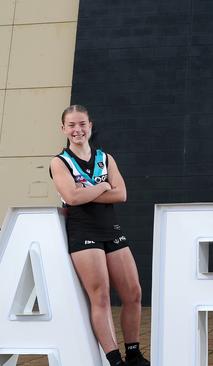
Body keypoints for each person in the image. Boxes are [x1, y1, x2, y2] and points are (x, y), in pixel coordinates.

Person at [50, 105, 150, 366]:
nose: (77, 130)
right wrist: (104, 185)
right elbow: (71, 197)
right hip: (83, 233)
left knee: (133, 293)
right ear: (63, 129)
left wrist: (90, 190)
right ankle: (114, 358)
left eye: (82, 124)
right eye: (71, 125)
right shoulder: (59, 162)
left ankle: (133, 353)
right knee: (101, 296)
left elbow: (122, 194)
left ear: (90, 125)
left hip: (110, 229)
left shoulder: (105, 158)